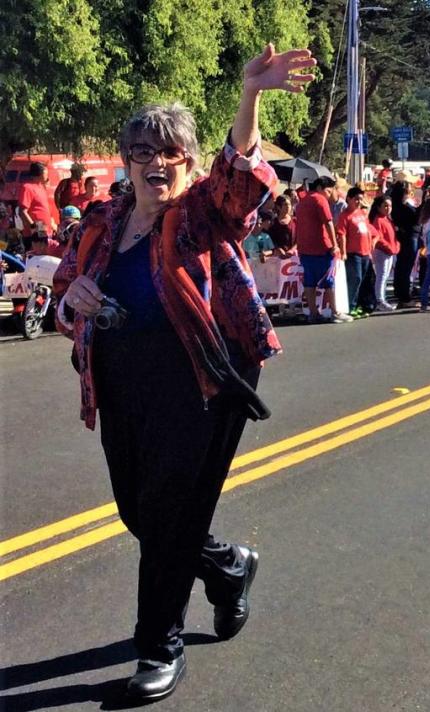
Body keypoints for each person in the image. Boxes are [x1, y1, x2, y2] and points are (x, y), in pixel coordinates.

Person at [51, 43, 315, 701]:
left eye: (171, 152)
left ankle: (158, 650)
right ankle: (228, 567)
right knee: (140, 512)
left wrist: (249, 97)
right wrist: (70, 297)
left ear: (189, 161)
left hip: (205, 379)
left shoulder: (202, 210)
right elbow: (62, 288)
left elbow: (243, 180)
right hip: (121, 380)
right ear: (126, 162)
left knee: (168, 510)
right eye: (142, 152)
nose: (156, 163)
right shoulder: (102, 224)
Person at [295, 176, 348, 322]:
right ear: (320, 188)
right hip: (322, 247)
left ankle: (313, 313)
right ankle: (335, 312)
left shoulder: (302, 202)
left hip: (305, 248)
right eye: (329, 191)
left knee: (310, 281)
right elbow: (328, 222)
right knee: (329, 280)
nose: (330, 194)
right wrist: (335, 245)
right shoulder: (320, 199)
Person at [337, 186, 374, 317]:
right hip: (353, 253)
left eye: (360, 199)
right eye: (356, 199)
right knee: (355, 278)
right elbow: (341, 234)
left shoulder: (361, 214)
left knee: (363, 280)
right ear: (349, 199)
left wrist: (370, 250)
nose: (358, 202)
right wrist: (343, 251)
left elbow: (368, 232)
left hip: (365, 252)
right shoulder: (344, 216)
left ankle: (359, 305)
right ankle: (350, 306)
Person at [389, 181, 418, 308]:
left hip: (403, 236)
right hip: (410, 236)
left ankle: (400, 293)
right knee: (406, 267)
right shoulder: (403, 206)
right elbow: (416, 217)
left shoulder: (395, 205)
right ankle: (405, 297)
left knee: (401, 266)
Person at [369, 194, 399, 311]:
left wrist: (396, 246)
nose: (388, 208)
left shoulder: (387, 219)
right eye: (385, 206)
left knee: (385, 276)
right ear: (378, 207)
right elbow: (379, 238)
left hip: (389, 251)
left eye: (390, 206)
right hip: (382, 251)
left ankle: (382, 298)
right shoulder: (378, 220)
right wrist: (389, 248)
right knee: (381, 276)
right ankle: (379, 299)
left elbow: (393, 236)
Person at [17, 161, 56, 238]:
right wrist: (34, 227)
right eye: (46, 173)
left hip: (46, 230)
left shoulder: (41, 187)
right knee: (38, 249)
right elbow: (23, 212)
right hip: (36, 231)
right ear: (39, 174)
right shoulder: (27, 187)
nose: (47, 176)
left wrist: (52, 225)